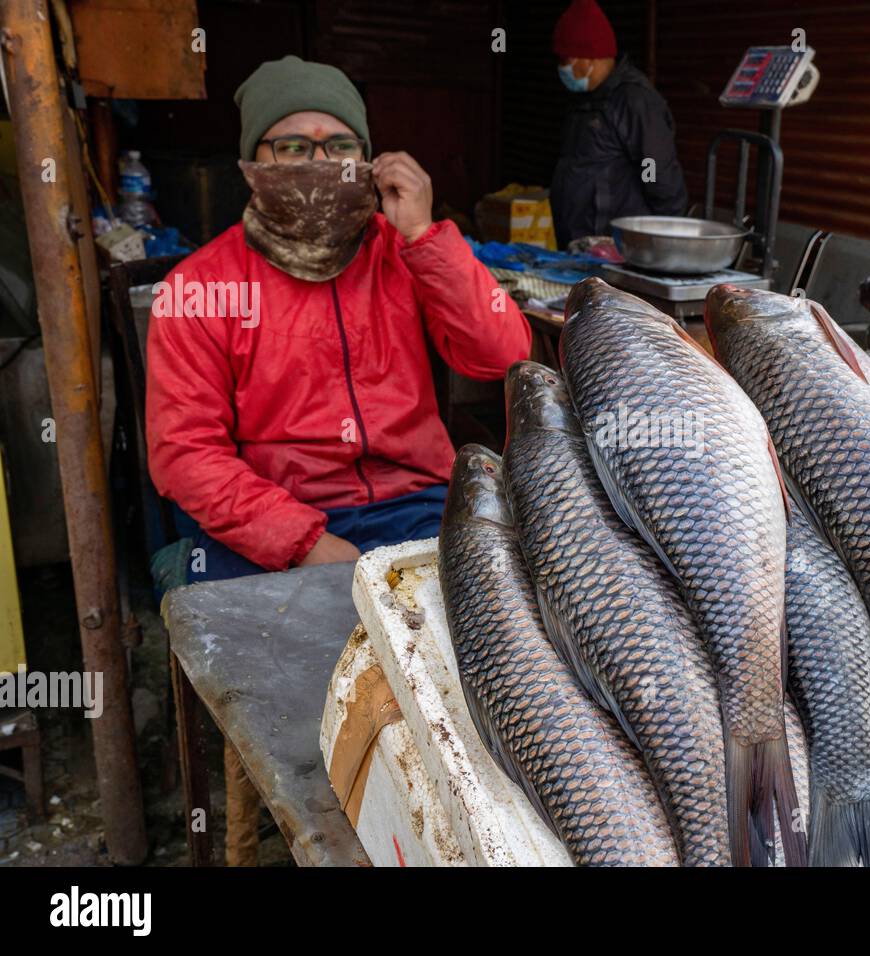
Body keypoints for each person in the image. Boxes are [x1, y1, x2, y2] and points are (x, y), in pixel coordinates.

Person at [145, 55, 531, 865]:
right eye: (292, 147)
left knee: (490, 667)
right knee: (298, 702)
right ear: (253, 163)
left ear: (371, 157)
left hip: (419, 501)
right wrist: (309, 544)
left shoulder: (402, 251)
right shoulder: (201, 286)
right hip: (276, 521)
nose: (318, 163)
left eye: (338, 143)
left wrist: (428, 235)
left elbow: (502, 351)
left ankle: (485, 821)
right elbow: (185, 456)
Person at [549, 0, 689, 246]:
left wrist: (664, 240)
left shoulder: (634, 100)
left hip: (617, 248)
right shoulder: (584, 100)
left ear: (590, 59)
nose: (562, 68)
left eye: (566, 60)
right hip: (581, 247)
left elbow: (657, 172)